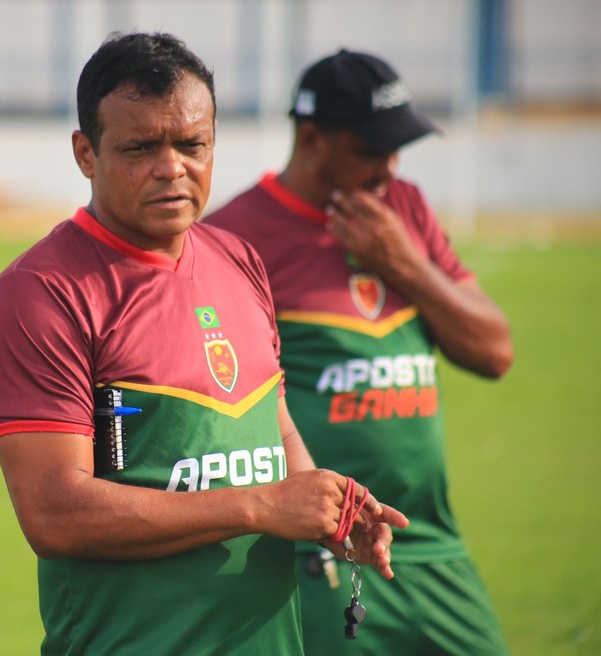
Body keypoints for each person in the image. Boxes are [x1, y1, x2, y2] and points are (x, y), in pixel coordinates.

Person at [0, 32, 409, 655]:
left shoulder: (238, 259)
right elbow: (53, 511)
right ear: (85, 153)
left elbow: (274, 428)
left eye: (191, 144)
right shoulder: (41, 293)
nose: (171, 166)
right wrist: (259, 506)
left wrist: (329, 512)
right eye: (139, 147)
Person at [204, 48, 514, 655]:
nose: (389, 167)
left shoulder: (404, 210)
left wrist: (406, 265)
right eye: (371, 149)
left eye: (398, 148)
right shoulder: (234, 237)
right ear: (313, 137)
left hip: (432, 546)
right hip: (326, 553)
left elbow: (494, 352)